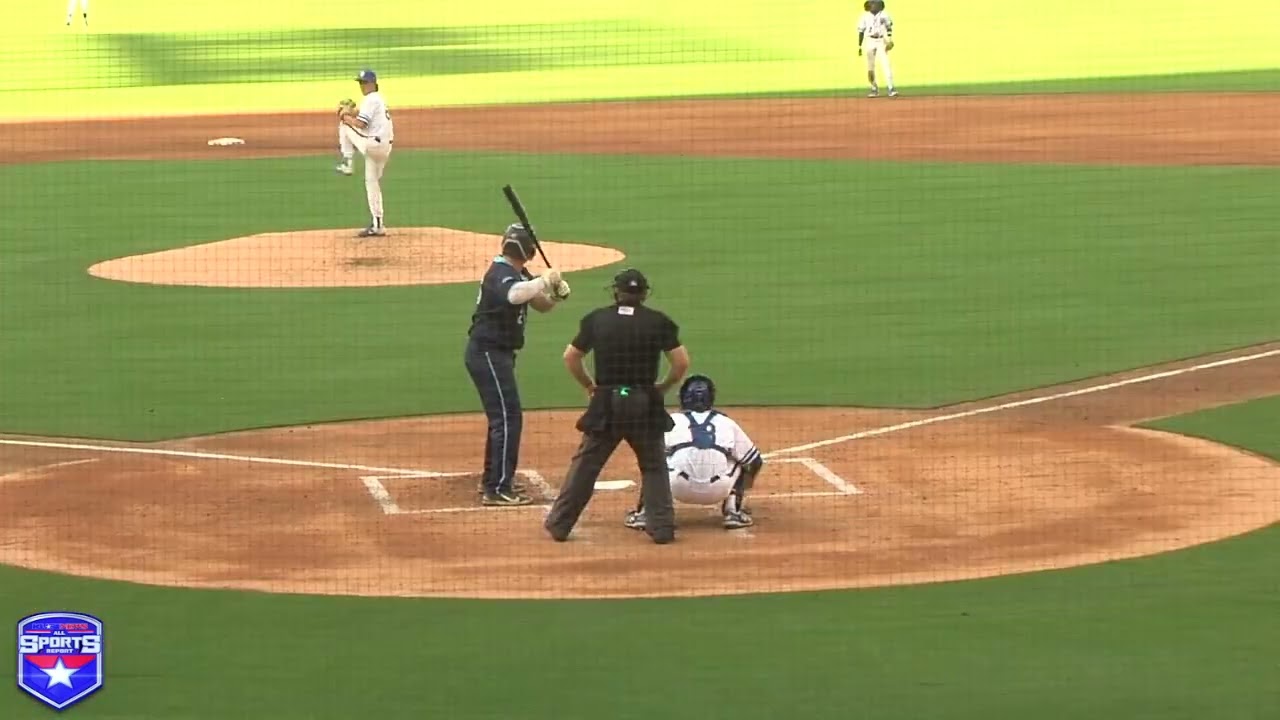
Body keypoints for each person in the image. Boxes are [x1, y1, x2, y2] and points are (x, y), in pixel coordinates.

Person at [544, 269, 690, 544]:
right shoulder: (659, 322)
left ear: (615, 292)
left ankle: (560, 525)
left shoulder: (596, 320)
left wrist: (589, 386)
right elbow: (681, 362)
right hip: (644, 402)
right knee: (654, 466)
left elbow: (571, 357)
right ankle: (661, 529)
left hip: (606, 403)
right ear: (644, 294)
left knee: (587, 465)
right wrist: (661, 388)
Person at [465, 224, 571, 507]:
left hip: (496, 354)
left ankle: (493, 481)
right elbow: (514, 295)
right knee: (508, 418)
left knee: (503, 417)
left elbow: (540, 304)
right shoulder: (500, 274)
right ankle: (497, 487)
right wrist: (543, 280)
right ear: (529, 251)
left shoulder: (515, 273)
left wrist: (556, 294)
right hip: (488, 353)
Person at [623, 374, 764, 531]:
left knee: (654, 460)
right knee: (741, 458)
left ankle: (645, 513)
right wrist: (746, 484)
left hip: (677, 487)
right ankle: (733, 512)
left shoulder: (671, 419)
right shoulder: (727, 423)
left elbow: (648, 453)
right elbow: (755, 461)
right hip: (719, 490)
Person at [336, 69, 395, 237]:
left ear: (371, 84)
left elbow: (361, 124)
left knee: (344, 126)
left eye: (363, 83)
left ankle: (347, 162)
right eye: (360, 83)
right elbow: (364, 117)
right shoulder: (378, 99)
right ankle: (378, 224)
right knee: (372, 183)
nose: (361, 86)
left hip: (373, 145)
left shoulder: (370, 99)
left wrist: (344, 116)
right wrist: (350, 111)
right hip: (383, 148)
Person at [858, 0, 898, 98]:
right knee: (870, 67)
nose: (874, 5)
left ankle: (891, 88)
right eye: (873, 4)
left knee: (886, 64)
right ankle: (874, 88)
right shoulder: (864, 16)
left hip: (881, 41)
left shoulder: (884, 15)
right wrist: (859, 46)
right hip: (869, 41)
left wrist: (889, 40)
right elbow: (861, 31)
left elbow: (889, 28)